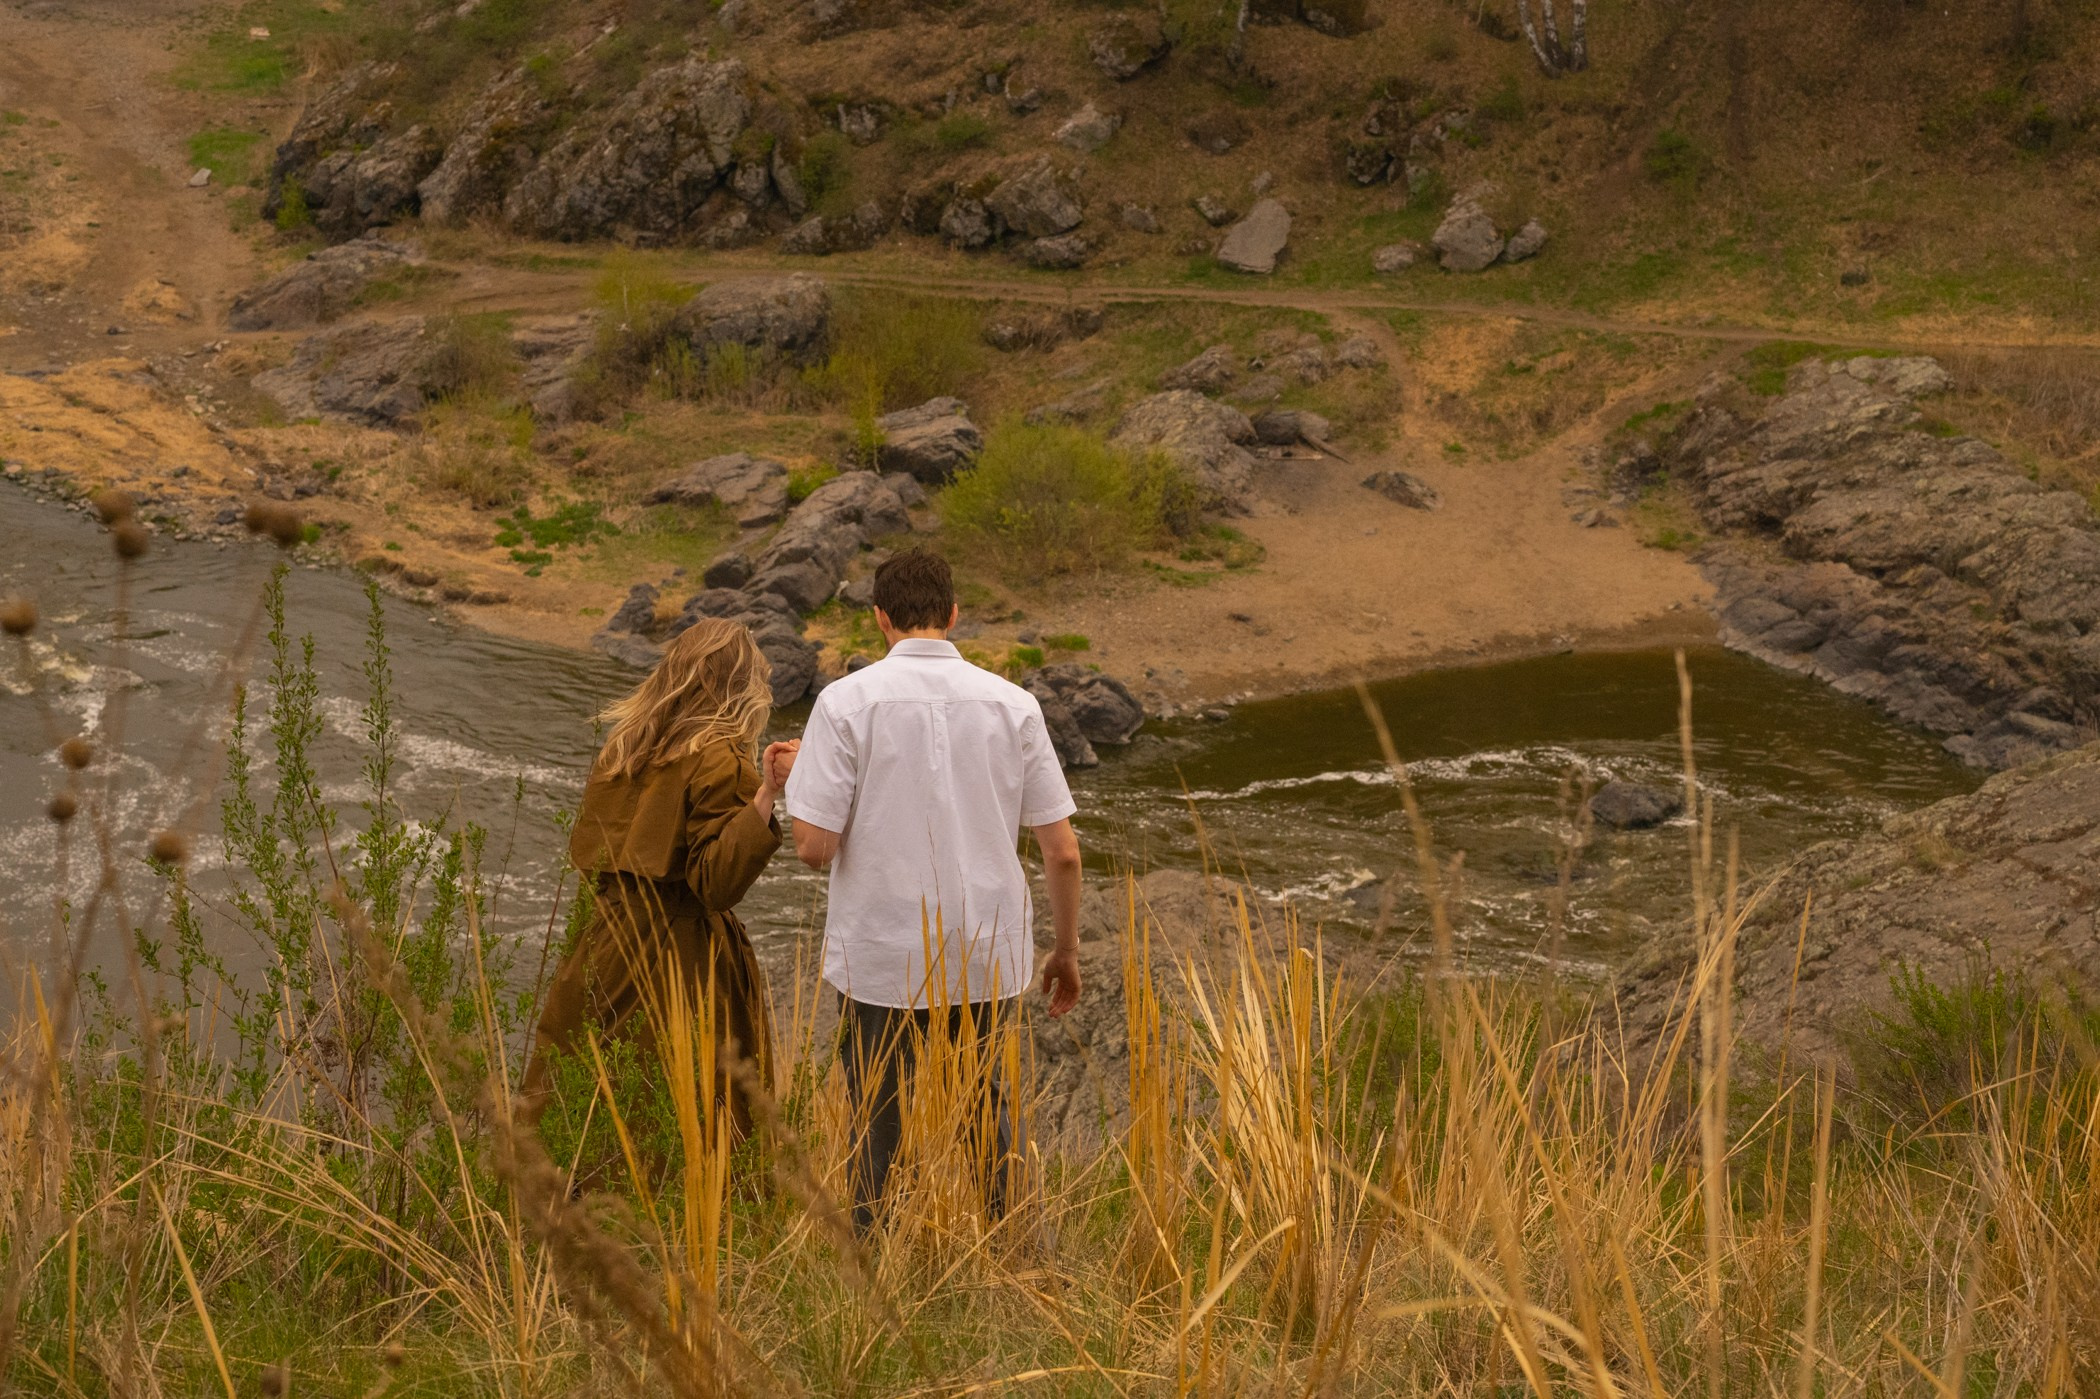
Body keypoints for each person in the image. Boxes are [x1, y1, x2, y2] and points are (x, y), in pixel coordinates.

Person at [778, 549, 1083, 1233]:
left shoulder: (843, 703)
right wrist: (1064, 950)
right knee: (988, 1106)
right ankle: (1016, 1253)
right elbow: (1061, 850)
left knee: (874, 1119)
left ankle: (873, 1271)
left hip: (881, 956)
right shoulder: (1016, 705)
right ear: (953, 613)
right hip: (986, 951)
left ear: (880, 619)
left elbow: (812, 845)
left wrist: (800, 784)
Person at [524, 619, 797, 1154]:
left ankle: (562, 1216)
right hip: (678, 954)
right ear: (741, 688)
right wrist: (767, 793)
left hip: (603, 939)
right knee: (680, 1106)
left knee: (584, 1084)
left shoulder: (627, 745)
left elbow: (597, 855)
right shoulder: (719, 756)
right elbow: (716, 882)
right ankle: (666, 1230)